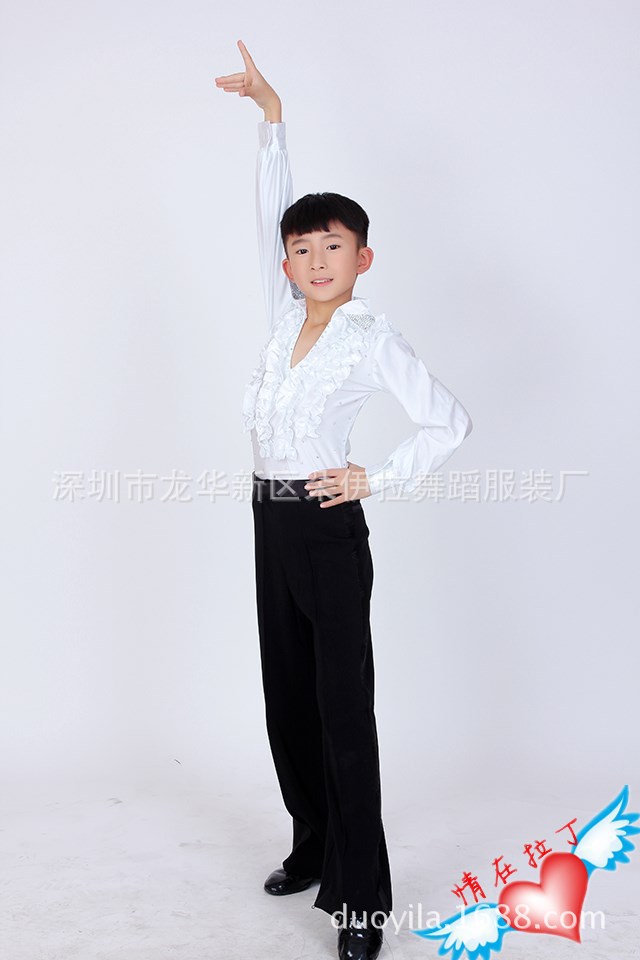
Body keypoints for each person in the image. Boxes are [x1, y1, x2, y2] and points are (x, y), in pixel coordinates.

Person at [215, 40, 473, 960]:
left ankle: (362, 900)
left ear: (363, 257)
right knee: (286, 698)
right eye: (301, 248)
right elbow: (267, 211)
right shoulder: (282, 316)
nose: (314, 259)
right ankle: (314, 844)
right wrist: (272, 118)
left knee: (341, 712)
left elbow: (447, 422)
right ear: (286, 263)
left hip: (326, 530)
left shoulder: (370, 338)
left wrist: (376, 476)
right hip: (267, 520)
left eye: (333, 246)